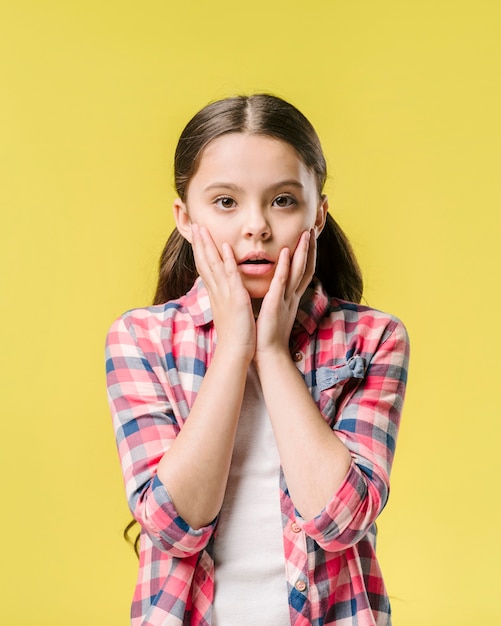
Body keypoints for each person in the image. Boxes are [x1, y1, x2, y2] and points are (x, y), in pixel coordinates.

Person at [105, 94, 410, 626]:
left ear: (319, 212)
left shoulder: (372, 338)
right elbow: (173, 526)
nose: (257, 228)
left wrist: (271, 352)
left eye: (283, 201)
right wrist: (234, 349)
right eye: (225, 202)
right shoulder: (140, 339)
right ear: (185, 217)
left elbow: (341, 520)